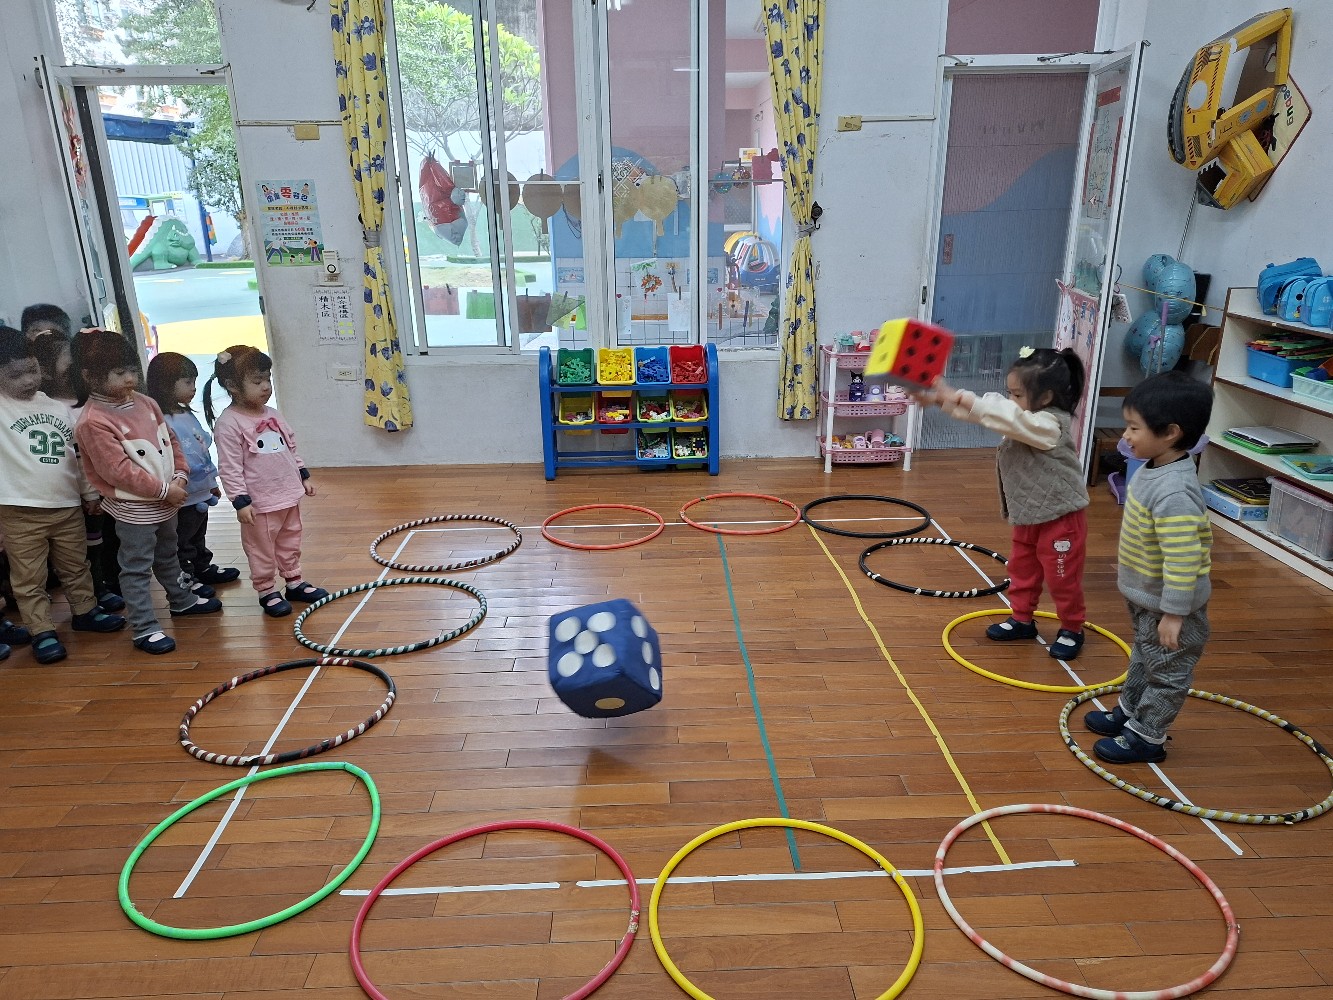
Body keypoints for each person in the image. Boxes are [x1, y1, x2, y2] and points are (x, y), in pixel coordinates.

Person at [914, 347, 1090, 658]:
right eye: (1009, 393)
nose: (1011, 400)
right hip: (1028, 512)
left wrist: (959, 396)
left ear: (1046, 397)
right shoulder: (1027, 418)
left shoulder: (1049, 425)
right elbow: (992, 416)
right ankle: (1022, 619)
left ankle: (1072, 628)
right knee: (1021, 569)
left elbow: (1006, 417)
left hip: (1061, 517)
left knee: (1061, 577)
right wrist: (941, 399)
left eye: (1017, 395)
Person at [1085, 371, 1214, 764]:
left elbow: (1183, 559)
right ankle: (1130, 711)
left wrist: (1174, 614)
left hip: (1171, 606)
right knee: (1143, 657)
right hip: (1147, 598)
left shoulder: (1175, 492)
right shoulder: (1153, 468)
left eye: (1134, 427)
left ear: (1171, 433)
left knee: (1167, 673)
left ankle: (1147, 737)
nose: (1125, 436)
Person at [72, 328, 222, 655]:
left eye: (132, 371)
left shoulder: (146, 403)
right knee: (137, 568)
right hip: (135, 510)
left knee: (169, 554)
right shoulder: (93, 422)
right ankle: (144, 627)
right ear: (89, 376)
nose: (129, 379)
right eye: (119, 373)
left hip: (167, 500)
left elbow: (172, 442)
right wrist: (165, 490)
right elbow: (118, 472)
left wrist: (180, 476)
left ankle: (181, 600)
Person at [0, 326, 127, 664]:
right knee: (29, 576)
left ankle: (85, 611)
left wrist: (89, 493)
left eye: (32, 370)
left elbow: (78, 455)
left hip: (67, 504)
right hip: (19, 510)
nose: (28, 380)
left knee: (76, 564)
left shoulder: (56, 408)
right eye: (15, 375)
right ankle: (41, 630)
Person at [204, 346, 327, 618]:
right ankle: (267, 590)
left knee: (290, 540)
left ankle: (294, 581)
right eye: (257, 381)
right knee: (260, 549)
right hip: (259, 503)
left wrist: (303, 475)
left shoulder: (272, 413)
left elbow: (289, 447)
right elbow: (229, 467)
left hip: (287, 494)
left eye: (267, 379)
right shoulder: (229, 423)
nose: (265, 386)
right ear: (232, 386)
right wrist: (240, 501)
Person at [145, 353, 241, 594]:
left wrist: (211, 483)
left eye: (194, 382)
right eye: (187, 382)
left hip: (200, 491)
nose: (193, 388)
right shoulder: (158, 419)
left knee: (198, 534)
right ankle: (186, 576)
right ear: (166, 384)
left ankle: (202, 567)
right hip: (181, 494)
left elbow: (202, 451)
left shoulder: (186, 414)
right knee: (182, 539)